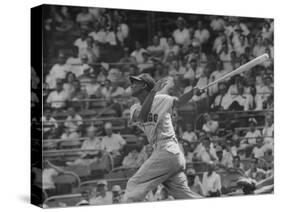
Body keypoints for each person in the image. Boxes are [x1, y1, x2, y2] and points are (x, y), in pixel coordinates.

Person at [123, 74, 202, 202]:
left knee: (134, 185)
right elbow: (143, 116)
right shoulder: (134, 108)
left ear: (144, 86)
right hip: (166, 153)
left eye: (135, 82)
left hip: (168, 149)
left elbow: (180, 101)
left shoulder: (161, 99)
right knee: (185, 197)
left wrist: (192, 92)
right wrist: (154, 91)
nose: (131, 85)